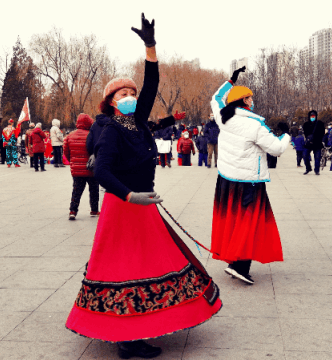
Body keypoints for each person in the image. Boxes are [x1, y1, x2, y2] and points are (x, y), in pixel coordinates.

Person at [65, 15, 221, 359]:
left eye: (132, 92)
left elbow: (152, 84)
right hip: (124, 206)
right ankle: (127, 339)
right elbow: (102, 172)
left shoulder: (136, 123)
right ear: (110, 100)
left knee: (148, 265)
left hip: (143, 203)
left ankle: (141, 327)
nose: (131, 96)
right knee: (127, 269)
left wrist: (150, 47)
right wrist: (130, 196)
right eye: (123, 92)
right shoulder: (109, 129)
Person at [209, 66, 290, 285]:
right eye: (250, 98)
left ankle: (233, 260)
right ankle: (239, 266)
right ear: (245, 101)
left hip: (226, 178)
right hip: (249, 182)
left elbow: (216, 98)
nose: (252, 101)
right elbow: (277, 149)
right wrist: (286, 135)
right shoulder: (254, 125)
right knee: (249, 223)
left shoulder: (222, 117)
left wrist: (230, 80)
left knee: (233, 221)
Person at [64, 114, 99, 219]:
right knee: (94, 190)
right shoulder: (92, 135)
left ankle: (73, 211)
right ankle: (94, 210)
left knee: (76, 190)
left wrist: (73, 161)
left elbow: (66, 152)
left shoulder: (70, 136)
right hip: (91, 169)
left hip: (76, 169)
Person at [302, 110, 326, 175]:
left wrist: (318, 138)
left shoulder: (320, 123)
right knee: (305, 156)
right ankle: (308, 168)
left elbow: (322, 133)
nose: (312, 117)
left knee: (317, 158)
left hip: (317, 143)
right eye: (311, 116)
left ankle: (317, 170)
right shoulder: (306, 124)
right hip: (309, 143)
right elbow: (305, 133)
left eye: (314, 116)